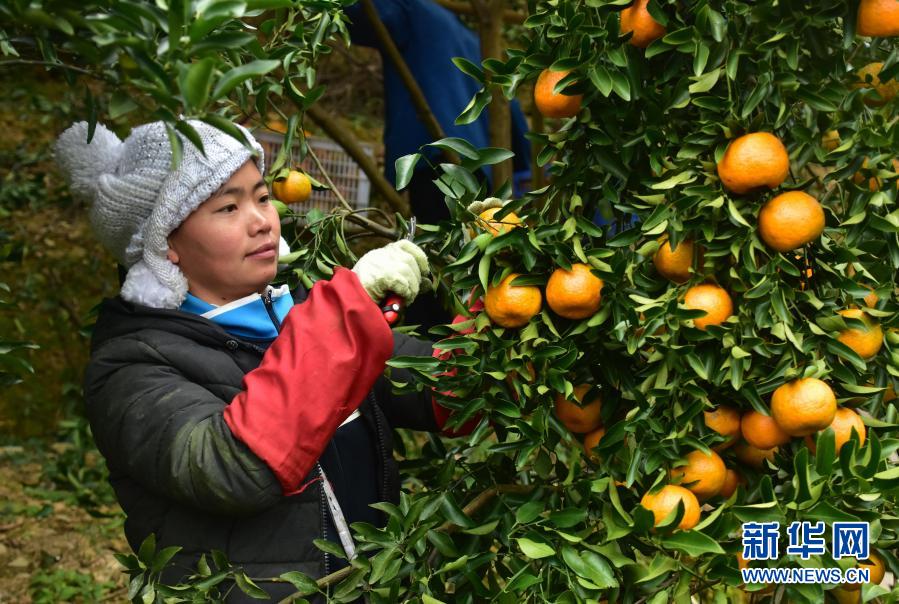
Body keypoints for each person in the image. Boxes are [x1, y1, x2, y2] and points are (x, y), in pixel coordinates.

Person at [54, 119, 468, 602]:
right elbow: (235, 468)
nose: (262, 221)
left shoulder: (297, 323)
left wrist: (515, 303)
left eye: (263, 197)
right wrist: (345, 314)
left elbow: (444, 386)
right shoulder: (131, 369)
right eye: (229, 206)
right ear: (164, 242)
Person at [344, 0, 533, 332]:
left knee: (429, 259)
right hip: (480, 171)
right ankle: (465, 341)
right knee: (472, 266)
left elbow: (359, 16)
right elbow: (511, 113)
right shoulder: (475, 39)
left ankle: (429, 343)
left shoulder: (415, 12)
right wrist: (521, 171)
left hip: (434, 160)